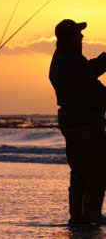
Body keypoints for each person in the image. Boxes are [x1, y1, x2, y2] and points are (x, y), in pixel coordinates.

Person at [49, 19, 106, 226]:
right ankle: (88, 213)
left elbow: (87, 73)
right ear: (69, 37)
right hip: (84, 123)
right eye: (78, 34)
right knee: (96, 168)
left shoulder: (67, 58)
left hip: (77, 122)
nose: (82, 37)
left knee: (82, 169)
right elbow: (90, 82)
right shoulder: (68, 61)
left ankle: (80, 214)